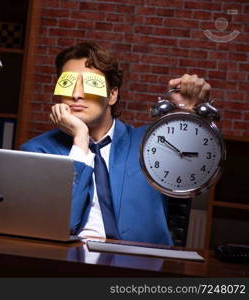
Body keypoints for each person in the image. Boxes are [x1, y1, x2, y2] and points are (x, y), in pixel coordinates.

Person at [20, 42, 211, 245]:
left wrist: (190, 112)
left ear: (112, 95)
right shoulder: (37, 152)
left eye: (89, 84)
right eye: (67, 84)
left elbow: (198, 166)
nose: (76, 94)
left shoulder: (151, 143)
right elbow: (60, 227)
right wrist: (80, 139)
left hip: (140, 267)